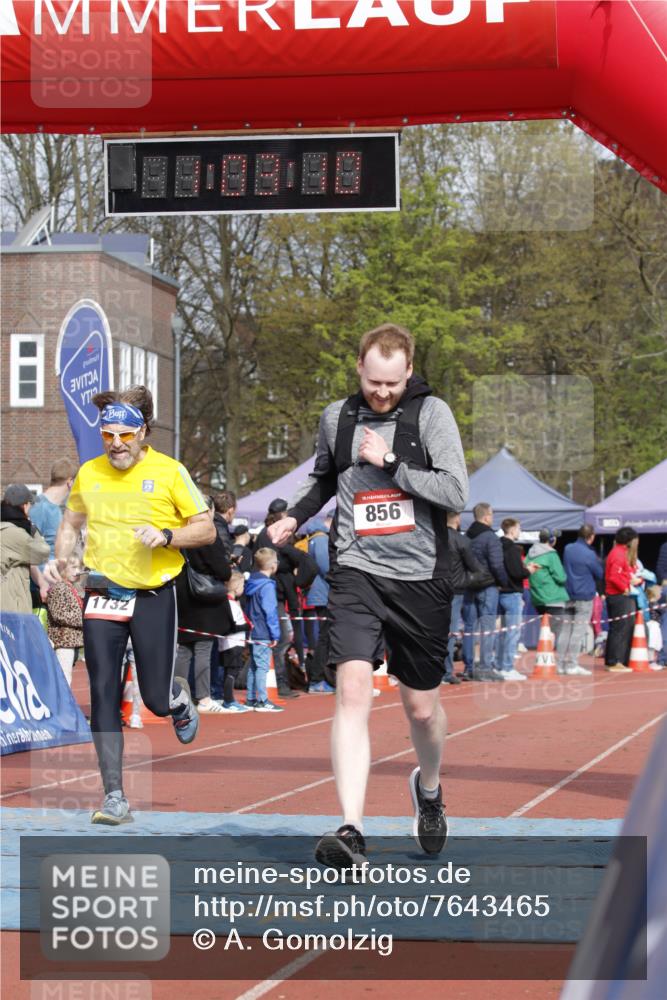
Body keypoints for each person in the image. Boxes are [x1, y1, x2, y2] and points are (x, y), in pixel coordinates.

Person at [268, 323, 468, 869]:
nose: (381, 392)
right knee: (352, 689)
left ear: (408, 371)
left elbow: (456, 493)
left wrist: (392, 466)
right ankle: (352, 828)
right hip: (356, 569)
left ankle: (428, 790)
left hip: (420, 576)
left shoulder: (431, 415)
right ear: (359, 367)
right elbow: (324, 479)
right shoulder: (337, 418)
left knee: (422, 709)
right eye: (373, 382)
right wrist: (293, 517)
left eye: (392, 383)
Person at [44, 386, 215, 825]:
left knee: (154, 699)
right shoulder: (90, 473)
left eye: (125, 435)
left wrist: (168, 536)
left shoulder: (170, 471)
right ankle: (114, 795)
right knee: (102, 691)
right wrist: (65, 560)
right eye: (108, 436)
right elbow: (71, 522)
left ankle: (175, 699)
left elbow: (206, 530)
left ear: (143, 432)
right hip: (103, 591)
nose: (116, 444)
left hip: (153, 593)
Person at [174, 495, 233, 714]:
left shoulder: (178, 531)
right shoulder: (208, 535)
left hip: (182, 594)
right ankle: (204, 698)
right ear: (207, 511)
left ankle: (179, 696)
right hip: (204, 599)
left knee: (185, 650)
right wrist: (227, 569)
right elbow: (222, 569)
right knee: (202, 649)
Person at [462, 503, 509, 681]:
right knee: (487, 628)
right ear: (487, 516)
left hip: (469, 586)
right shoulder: (490, 538)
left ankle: (468, 667)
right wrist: (502, 582)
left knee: (469, 627)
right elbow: (497, 564)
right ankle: (485, 667)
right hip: (487, 586)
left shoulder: (466, 536)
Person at [444, 511, 488, 684]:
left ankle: (439, 671)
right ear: (457, 519)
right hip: (455, 591)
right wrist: (465, 580)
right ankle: (446, 672)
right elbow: (477, 569)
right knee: (450, 632)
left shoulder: (432, 538)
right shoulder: (461, 540)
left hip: (432, 591)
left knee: (434, 632)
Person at [527, 529, 573, 673]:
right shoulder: (551, 554)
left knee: (546, 632)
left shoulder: (530, 554)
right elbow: (561, 577)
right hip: (554, 598)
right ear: (552, 540)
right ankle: (557, 665)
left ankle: (546, 661)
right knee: (560, 633)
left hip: (538, 598)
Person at [244, 547, 283, 712]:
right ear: (272, 565)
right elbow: (270, 611)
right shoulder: (267, 586)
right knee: (262, 666)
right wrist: (275, 633)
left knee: (254, 665)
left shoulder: (251, 582)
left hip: (252, 629)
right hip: (263, 630)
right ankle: (262, 699)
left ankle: (251, 698)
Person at [0, 484, 50, 613]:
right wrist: (32, 528)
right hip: (10, 609)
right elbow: (43, 552)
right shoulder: (15, 534)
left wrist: (42, 583)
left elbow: (26, 560)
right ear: (25, 505)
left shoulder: (5, 528)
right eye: (30, 504)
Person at [562, 524, 603, 676]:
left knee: (566, 630)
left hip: (568, 593)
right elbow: (599, 573)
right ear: (591, 537)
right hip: (584, 595)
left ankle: (562, 663)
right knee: (578, 632)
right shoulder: (589, 554)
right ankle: (572, 664)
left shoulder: (568, 548)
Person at [497, 518, 536, 680]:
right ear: (512, 530)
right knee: (512, 631)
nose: (520, 531)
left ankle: (500, 665)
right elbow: (516, 572)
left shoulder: (497, 545)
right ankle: (506, 666)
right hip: (512, 592)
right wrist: (529, 570)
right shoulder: (512, 549)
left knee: (503, 631)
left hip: (500, 591)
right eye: (519, 528)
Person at [304, 513, 335, 693]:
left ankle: (319, 679)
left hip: (320, 593)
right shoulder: (322, 539)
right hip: (324, 594)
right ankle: (317, 679)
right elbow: (327, 567)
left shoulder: (316, 537)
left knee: (324, 638)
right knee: (325, 638)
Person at [604, 527, 642, 673]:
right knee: (620, 628)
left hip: (620, 594)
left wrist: (631, 579)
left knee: (621, 628)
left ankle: (616, 660)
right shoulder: (619, 554)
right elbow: (614, 576)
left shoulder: (620, 552)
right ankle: (615, 661)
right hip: (619, 596)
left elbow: (622, 573)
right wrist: (624, 588)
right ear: (630, 540)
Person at [46, 555, 84, 686]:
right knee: (63, 678)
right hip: (62, 641)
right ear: (62, 570)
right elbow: (59, 615)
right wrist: (85, 619)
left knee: (65, 676)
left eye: (79, 568)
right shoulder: (59, 588)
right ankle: (63, 705)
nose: (77, 571)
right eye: (73, 568)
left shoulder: (70, 587)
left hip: (71, 640)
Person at [30, 458, 78, 559]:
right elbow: (29, 548)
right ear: (70, 482)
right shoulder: (39, 507)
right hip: (43, 573)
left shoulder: (59, 509)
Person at [218, 571, 251, 712]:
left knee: (231, 671)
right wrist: (248, 626)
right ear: (236, 587)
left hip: (234, 643)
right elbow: (229, 626)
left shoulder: (230, 603)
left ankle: (228, 698)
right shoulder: (229, 604)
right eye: (243, 585)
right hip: (232, 643)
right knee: (231, 672)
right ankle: (229, 700)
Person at [212, 491, 237, 558]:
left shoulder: (211, 522)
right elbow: (222, 557)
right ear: (231, 510)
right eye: (235, 511)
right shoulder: (220, 528)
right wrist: (229, 561)